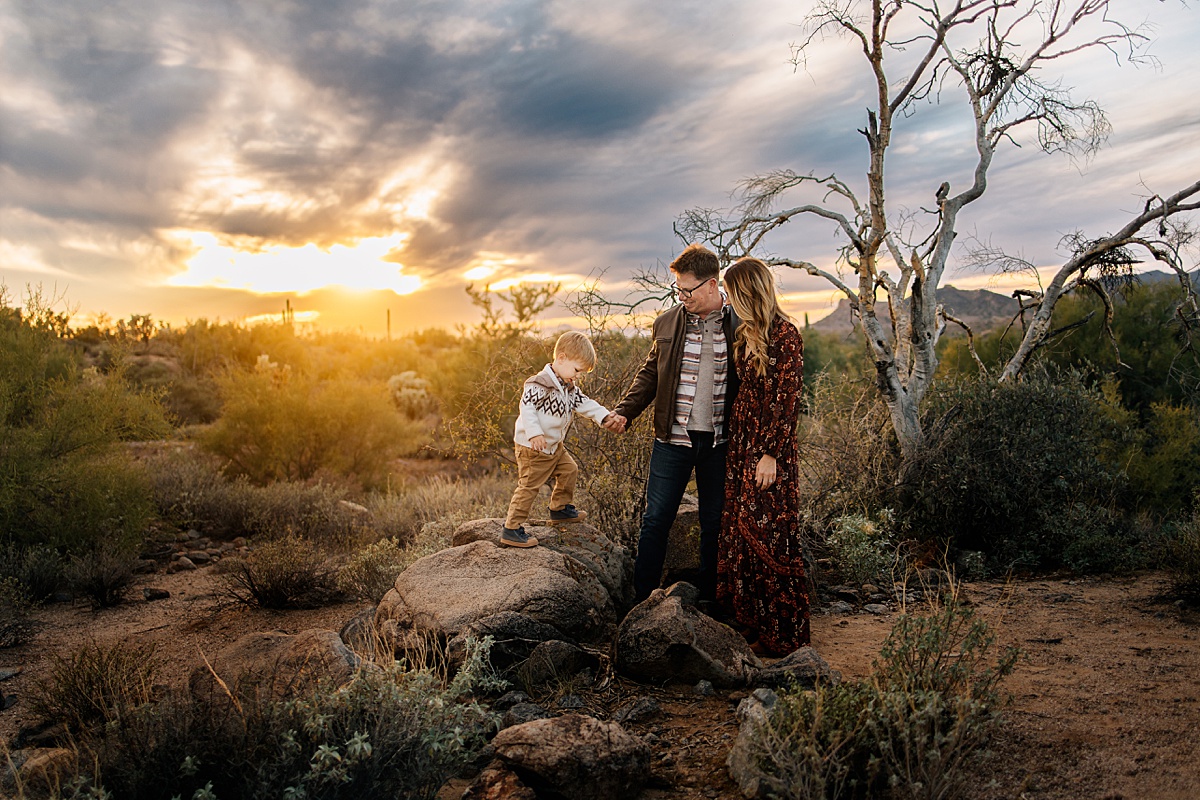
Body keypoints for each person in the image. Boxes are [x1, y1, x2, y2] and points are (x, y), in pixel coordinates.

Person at [614, 244, 740, 603]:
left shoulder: (739, 325)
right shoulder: (667, 322)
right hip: (672, 441)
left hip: (720, 443)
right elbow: (651, 373)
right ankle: (641, 603)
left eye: (688, 290)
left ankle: (709, 602)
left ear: (712, 285)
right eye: (678, 290)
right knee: (655, 522)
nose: (682, 296)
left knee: (714, 524)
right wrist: (626, 411)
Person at [717, 256, 810, 655]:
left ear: (747, 292)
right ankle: (753, 623)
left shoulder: (786, 335)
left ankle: (782, 633)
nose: (727, 299)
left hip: (767, 449)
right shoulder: (747, 334)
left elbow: (787, 399)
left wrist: (770, 452)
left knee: (770, 533)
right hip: (742, 444)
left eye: (731, 292)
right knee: (743, 532)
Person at [502, 331, 626, 548]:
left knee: (570, 470)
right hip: (533, 447)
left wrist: (605, 416)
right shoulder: (539, 383)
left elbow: (585, 403)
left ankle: (559, 509)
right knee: (529, 486)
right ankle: (511, 529)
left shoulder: (568, 387)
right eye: (577, 370)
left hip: (553, 446)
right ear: (561, 358)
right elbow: (527, 408)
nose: (577, 376)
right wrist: (535, 433)